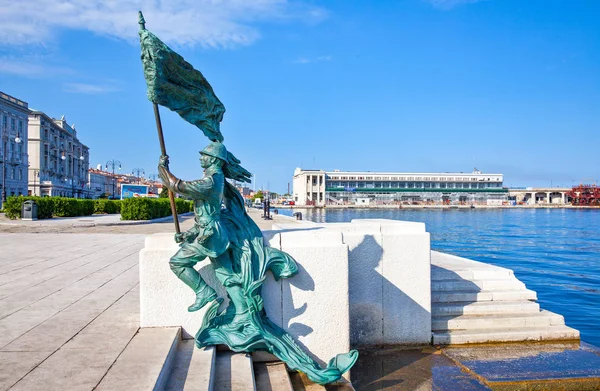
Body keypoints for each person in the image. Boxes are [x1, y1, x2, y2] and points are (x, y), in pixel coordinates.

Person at [157, 141, 230, 312]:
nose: (200, 158)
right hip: (209, 232)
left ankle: (204, 292)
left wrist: (163, 170)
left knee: (178, 262)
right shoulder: (214, 179)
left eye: (204, 155)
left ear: (213, 159)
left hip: (210, 236)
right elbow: (205, 215)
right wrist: (189, 234)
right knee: (228, 276)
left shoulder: (211, 181)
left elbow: (178, 186)